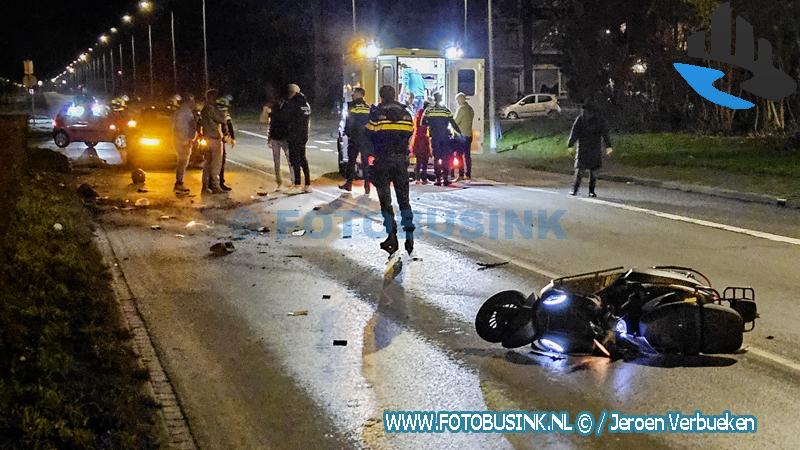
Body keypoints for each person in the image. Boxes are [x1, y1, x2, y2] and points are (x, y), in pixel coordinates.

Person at [367, 85, 416, 256]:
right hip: (401, 162)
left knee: (386, 202)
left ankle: (392, 236)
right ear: (394, 95)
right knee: (404, 199)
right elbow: (410, 132)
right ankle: (409, 236)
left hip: (383, 162)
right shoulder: (406, 114)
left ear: (381, 96)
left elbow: (370, 134)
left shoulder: (377, 114)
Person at [567, 103, 613, 197]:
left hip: (594, 148)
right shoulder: (580, 119)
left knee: (594, 172)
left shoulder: (598, 121)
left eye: (586, 110)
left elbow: (605, 133)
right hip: (583, 148)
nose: (584, 112)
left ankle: (591, 191)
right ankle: (575, 189)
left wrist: (608, 146)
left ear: (591, 112)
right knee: (580, 171)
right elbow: (574, 132)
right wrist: (570, 145)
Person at [422, 92, 461, 186]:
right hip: (445, 137)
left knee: (436, 158)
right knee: (446, 158)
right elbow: (453, 123)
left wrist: (431, 125)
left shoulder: (428, 110)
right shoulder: (446, 110)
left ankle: (438, 180)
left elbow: (422, 123)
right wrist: (459, 133)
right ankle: (446, 179)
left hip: (434, 137)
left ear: (434, 99)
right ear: (441, 98)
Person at [339, 87, 372, 194]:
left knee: (351, 161)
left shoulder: (352, 106)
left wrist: (347, 133)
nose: (352, 95)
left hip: (355, 138)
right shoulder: (368, 107)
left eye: (354, 94)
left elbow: (349, 122)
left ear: (359, 94)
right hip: (365, 139)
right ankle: (367, 185)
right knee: (365, 162)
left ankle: (349, 184)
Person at [284, 83, 312, 193]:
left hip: (294, 135)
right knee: (303, 159)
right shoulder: (306, 104)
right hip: (303, 135)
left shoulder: (293, 104)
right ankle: (308, 185)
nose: (288, 95)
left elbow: (287, 119)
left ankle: (297, 185)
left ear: (293, 92)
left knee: (295, 160)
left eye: (289, 92)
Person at [199, 89, 227, 194]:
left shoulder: (204, 109)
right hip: (214, 139)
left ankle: (205, 186)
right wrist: (222, 112)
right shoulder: (211, 109)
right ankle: (215, 186)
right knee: (216, 164)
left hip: (206, 138)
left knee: (207, 164)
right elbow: (222, 119)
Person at [267, 87, 293, 191]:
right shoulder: (274, 108)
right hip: (275, 137)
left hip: (285, 137)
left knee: (290, 160)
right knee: (276, 161)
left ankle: (294, 181)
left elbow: (290, 123)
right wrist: (269, 137)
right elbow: (271, 123)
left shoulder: (288, 107)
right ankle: (279, 183)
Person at [172, 95, 197, 194]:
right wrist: (185, 139)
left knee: (182, 162)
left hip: (181, 139)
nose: (193, 103)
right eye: (192, 101)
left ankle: (179, 182)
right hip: (183, 140)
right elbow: (180, 127)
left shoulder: (180, 112)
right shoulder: (185, 113)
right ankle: (179, 183)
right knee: (182, 162)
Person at [453, 92, 474, 182]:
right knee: (467, 156)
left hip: (461, 136)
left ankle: (460, 175)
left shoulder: (461, 109)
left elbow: (455, 122)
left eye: (457, 100)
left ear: (461, 99)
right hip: (469, 135)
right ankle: (468, 174)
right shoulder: (470, 109)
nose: (457, 102)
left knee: (459, 155)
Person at [216, 95, 236, 191]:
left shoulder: (221, 113)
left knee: (220, 161)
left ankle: (219, 182)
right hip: (216, 140)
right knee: (217, 162)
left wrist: (232, 137)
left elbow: (229, 125)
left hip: (220, 140)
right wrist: (232, 137)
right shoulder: (218, 114)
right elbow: (227, 124)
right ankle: (217, 183)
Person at [411, 101, 431, 184]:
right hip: (423, 139)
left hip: (418, 139)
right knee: (424, 160)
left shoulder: (418, 114)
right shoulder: (425, 115)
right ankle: (423, 178)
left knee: (419, 160)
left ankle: (418, 178)